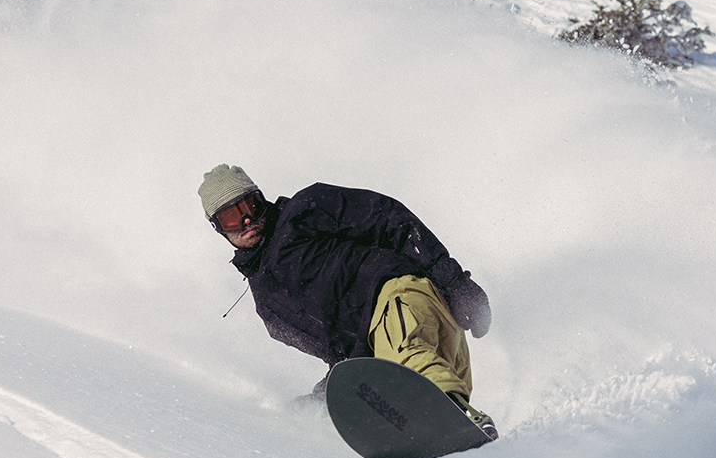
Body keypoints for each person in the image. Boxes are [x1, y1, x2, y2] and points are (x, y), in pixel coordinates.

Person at [199, 164, 497, 439]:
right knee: (395, 401)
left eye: (250, 206)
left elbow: (389, 219)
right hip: (412, 351)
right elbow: (344, 356)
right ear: (218, 227)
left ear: (261, 199)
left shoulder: (303, 211)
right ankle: (456, 426)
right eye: (231, 217)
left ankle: (454, 416)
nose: (246, 220)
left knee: (411, 365)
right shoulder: (268, 307)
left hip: (402, 300)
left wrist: (454, 281)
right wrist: (325, 401)